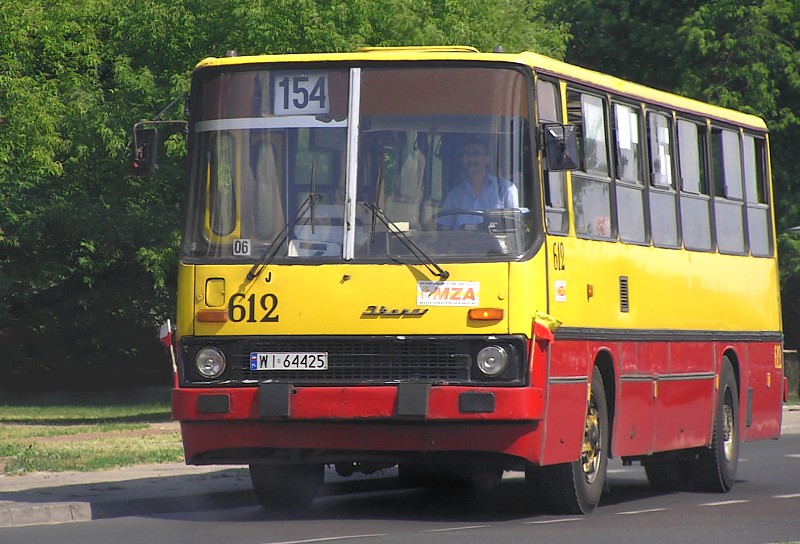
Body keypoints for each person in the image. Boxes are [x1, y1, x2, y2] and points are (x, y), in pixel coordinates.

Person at [437, 138, 518, 230]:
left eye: (476, 153)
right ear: (462, 160)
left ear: (487, 159)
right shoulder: (454, 195)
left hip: (494, 244)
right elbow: (444, 227)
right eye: (467, 154)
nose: (471, 159)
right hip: (458, 243)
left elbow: (514, 224)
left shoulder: (505, 189)